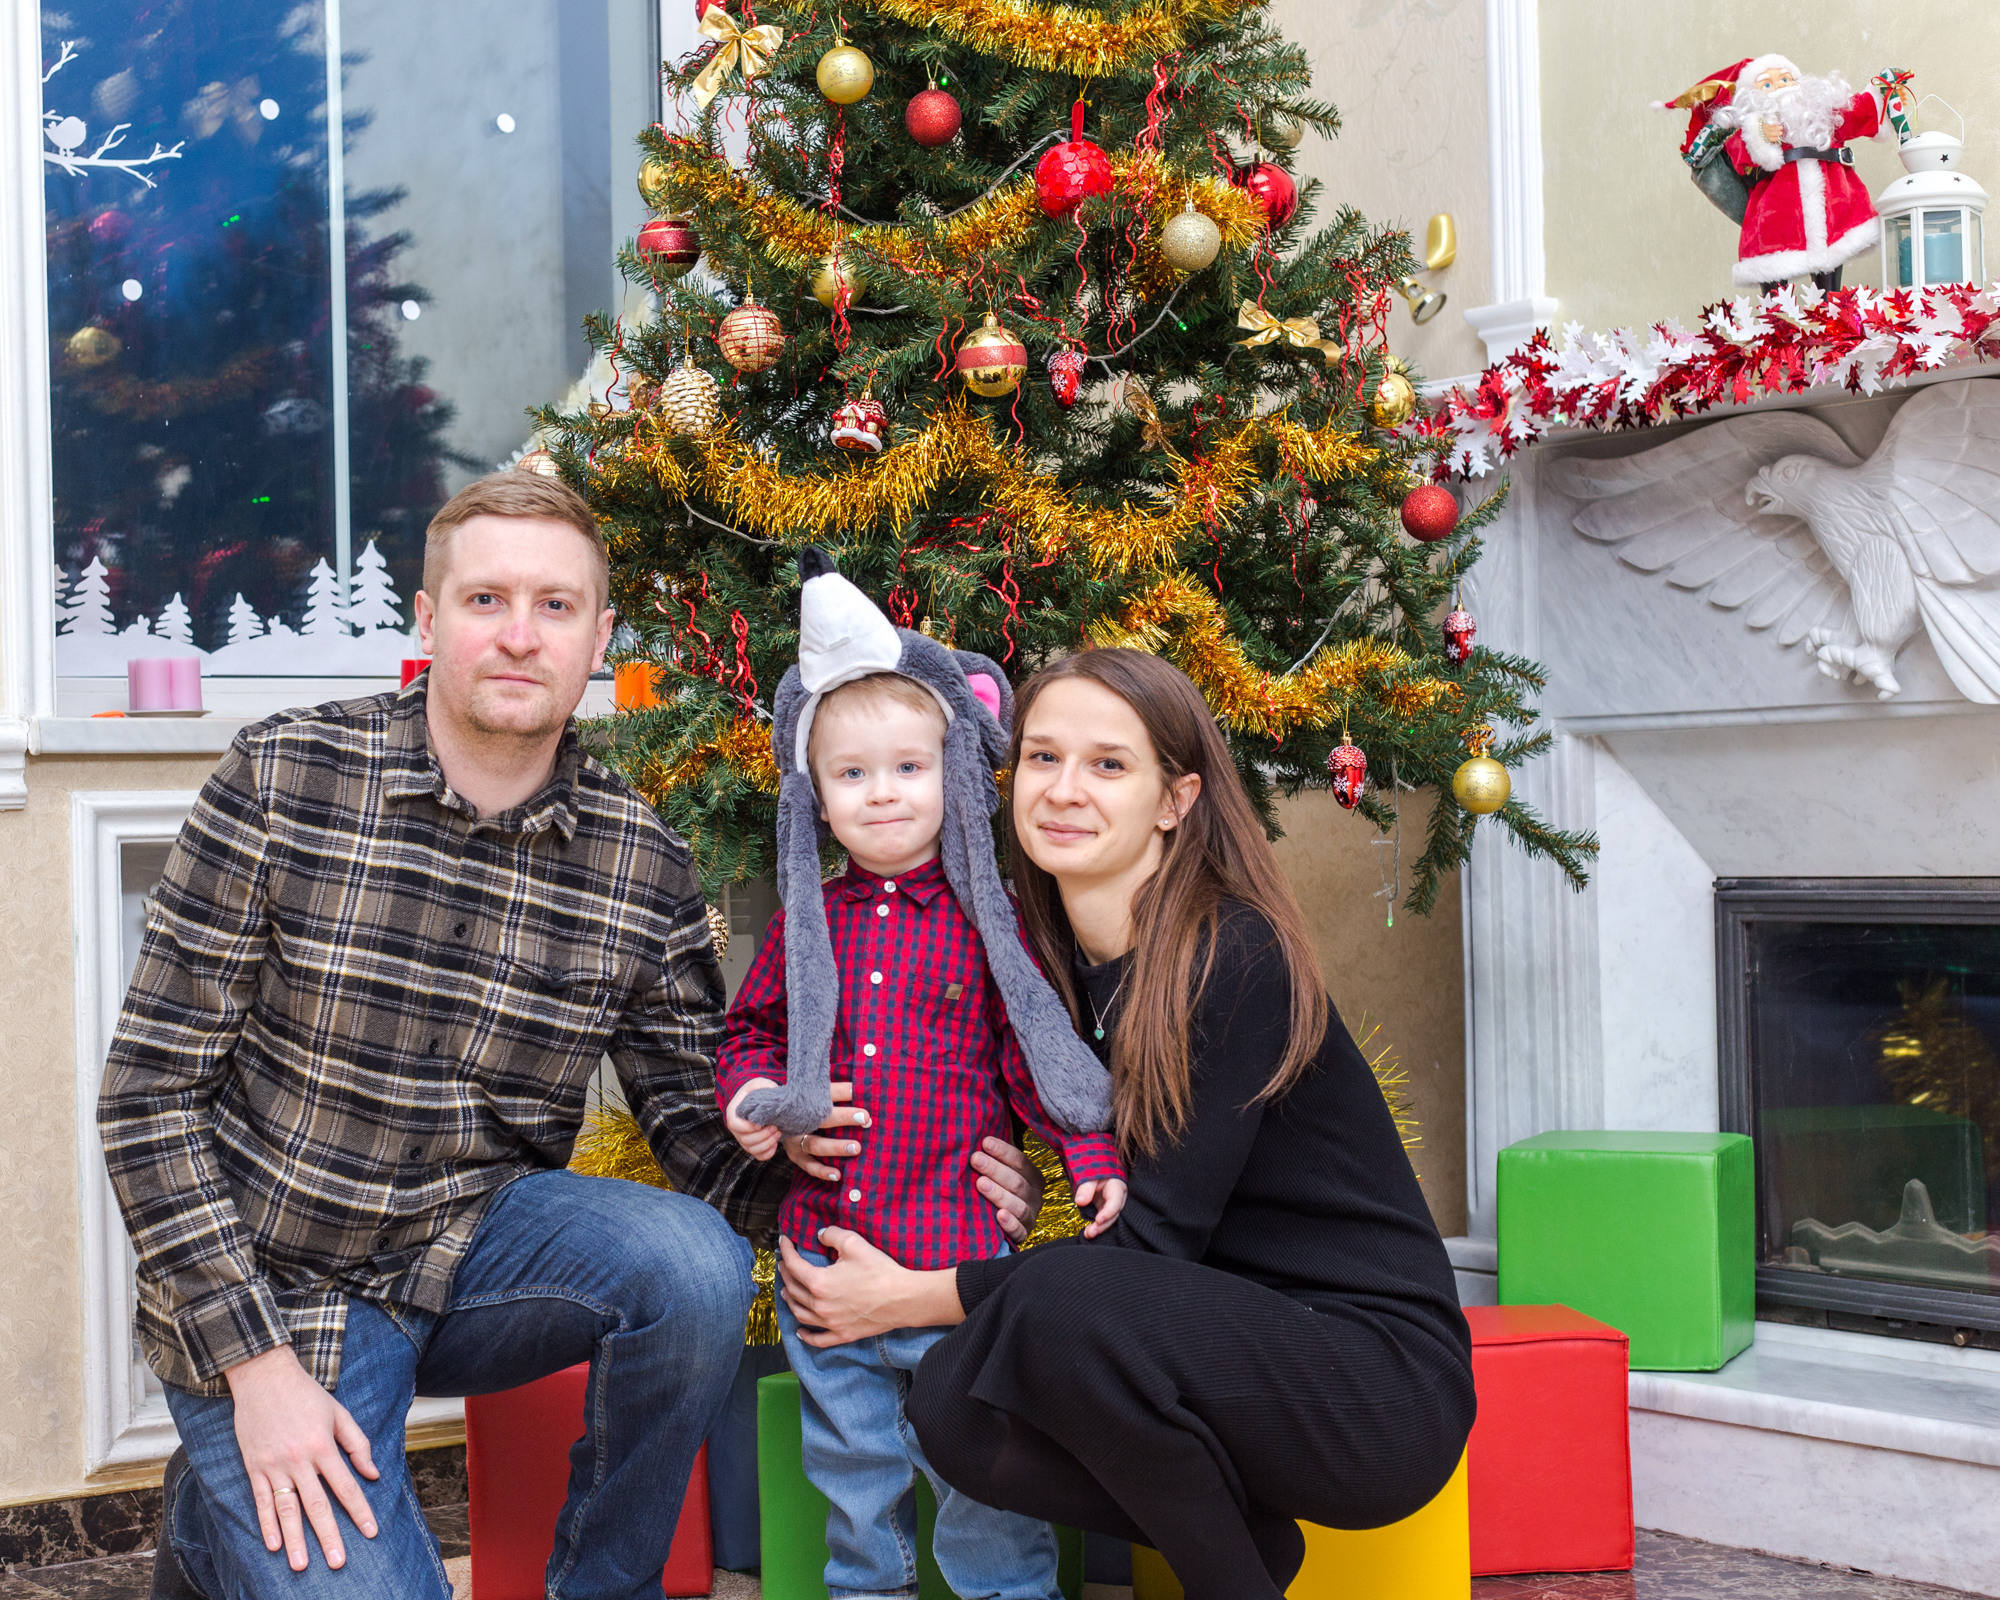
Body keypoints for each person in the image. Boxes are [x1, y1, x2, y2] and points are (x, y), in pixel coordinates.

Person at [776, 648, 1475, 1600]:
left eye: (1108, 765)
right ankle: (1246, 1543)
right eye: (1041, 758)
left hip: (1368, 1382)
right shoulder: (1041, 959)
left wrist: (903, 1298)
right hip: (1216, 1351)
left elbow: (1147, 1248)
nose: (1063, 791)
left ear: (1174, 799)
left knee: (1057, 1308)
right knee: (952, 1404)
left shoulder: (1230, 953)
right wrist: (1017, 1175)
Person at [717, 552, 1127, 1600]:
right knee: (851, 1473)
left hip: (954, 1263)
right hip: (827, 1251)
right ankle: (868, 1588)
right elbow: (750, 1032)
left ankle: (1005, 1593)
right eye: (851, 775)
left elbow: (1037, 1054)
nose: (882, 794)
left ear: (951, 775)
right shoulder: (805, 928)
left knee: (983, 1473)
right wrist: (755, 1102)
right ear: (812, 794)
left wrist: (1082, 1150)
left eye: (906, 768)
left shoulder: (988, 930)